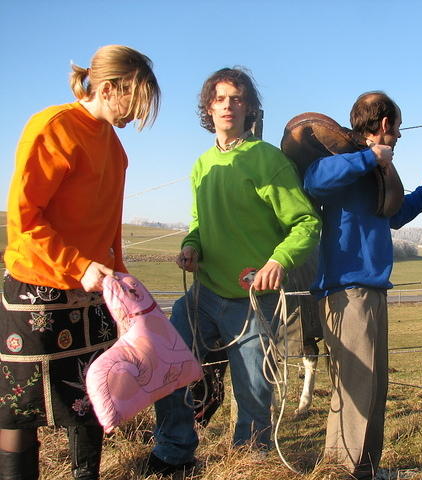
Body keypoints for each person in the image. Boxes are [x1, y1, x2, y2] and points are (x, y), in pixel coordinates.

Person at [147, 67, 321, 476]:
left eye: (237, 98)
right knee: (168, 366)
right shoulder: (202, 165)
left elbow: (306, 224)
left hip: (252, 299)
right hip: (203, 294)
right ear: (209, 107)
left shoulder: (267, 160)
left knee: (254, 394)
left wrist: (278, 260)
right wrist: (191, 245)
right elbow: (198, 221)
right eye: (220, 98)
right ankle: (174, 452)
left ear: (250, 108)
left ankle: (248, 462)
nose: (228, 105)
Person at [0, 45, 160, 480]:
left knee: (93, 402)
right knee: (19, 411)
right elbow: (24, 220)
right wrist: (78, 265)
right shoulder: (53, 128)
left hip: (92, 293)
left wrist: (122, 278)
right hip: (36, 291)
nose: (137, 116)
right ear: (109, 88)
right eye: (135, 102)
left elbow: (107, 230)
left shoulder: (116, 149)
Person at [303, 91, 422, 479]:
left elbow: (395, 214)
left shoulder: (376, 171)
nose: (400, 136)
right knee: (357, 389)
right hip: (347, 290)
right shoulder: (344, 161)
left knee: (371, 388)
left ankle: (364, 469)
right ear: (386, 125)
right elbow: (313, 180)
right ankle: (346, 471)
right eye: (399, 129)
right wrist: (368, 157)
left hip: (369, 290)